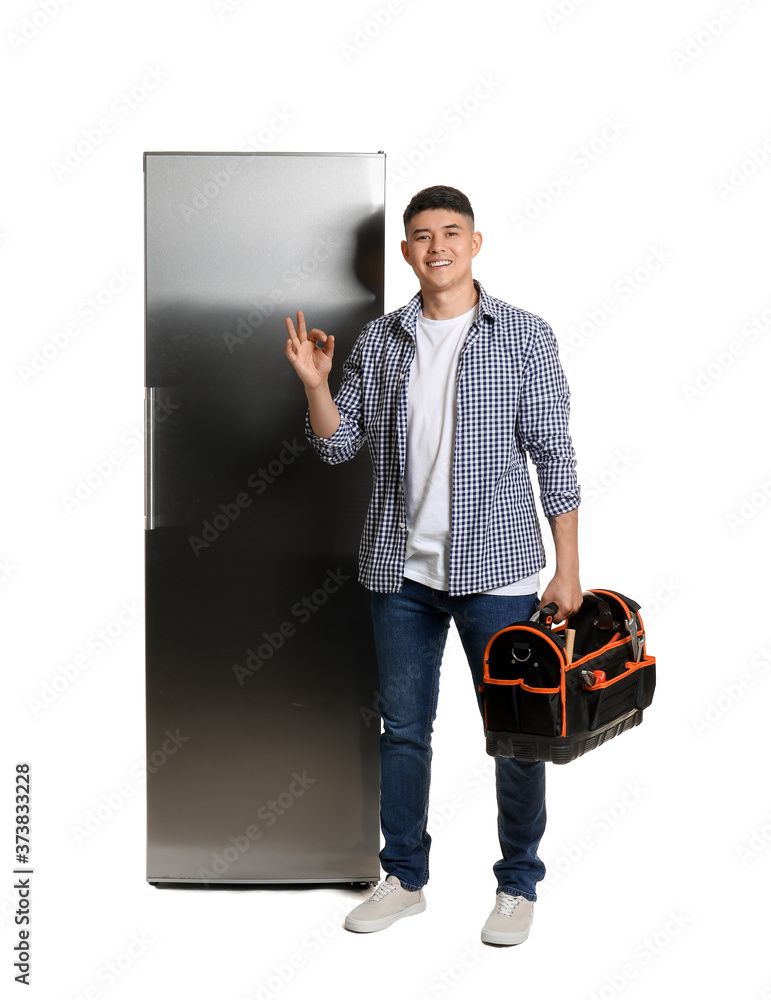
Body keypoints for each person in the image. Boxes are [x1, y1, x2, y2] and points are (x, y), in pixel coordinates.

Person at [284, 185, 581, 946]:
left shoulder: (522, 335)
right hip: (401, 573)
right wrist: (318, 387)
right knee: (403, 730)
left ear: (475, 244)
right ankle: (405, 878)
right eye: (420, 235)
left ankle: (517, 885)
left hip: (501, 574)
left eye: (451, 232)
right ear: (407, 251)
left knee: (516, 733)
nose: (436, 245)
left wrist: (566, 567)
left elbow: (554, 456)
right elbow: (336, 444)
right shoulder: (381, 340)